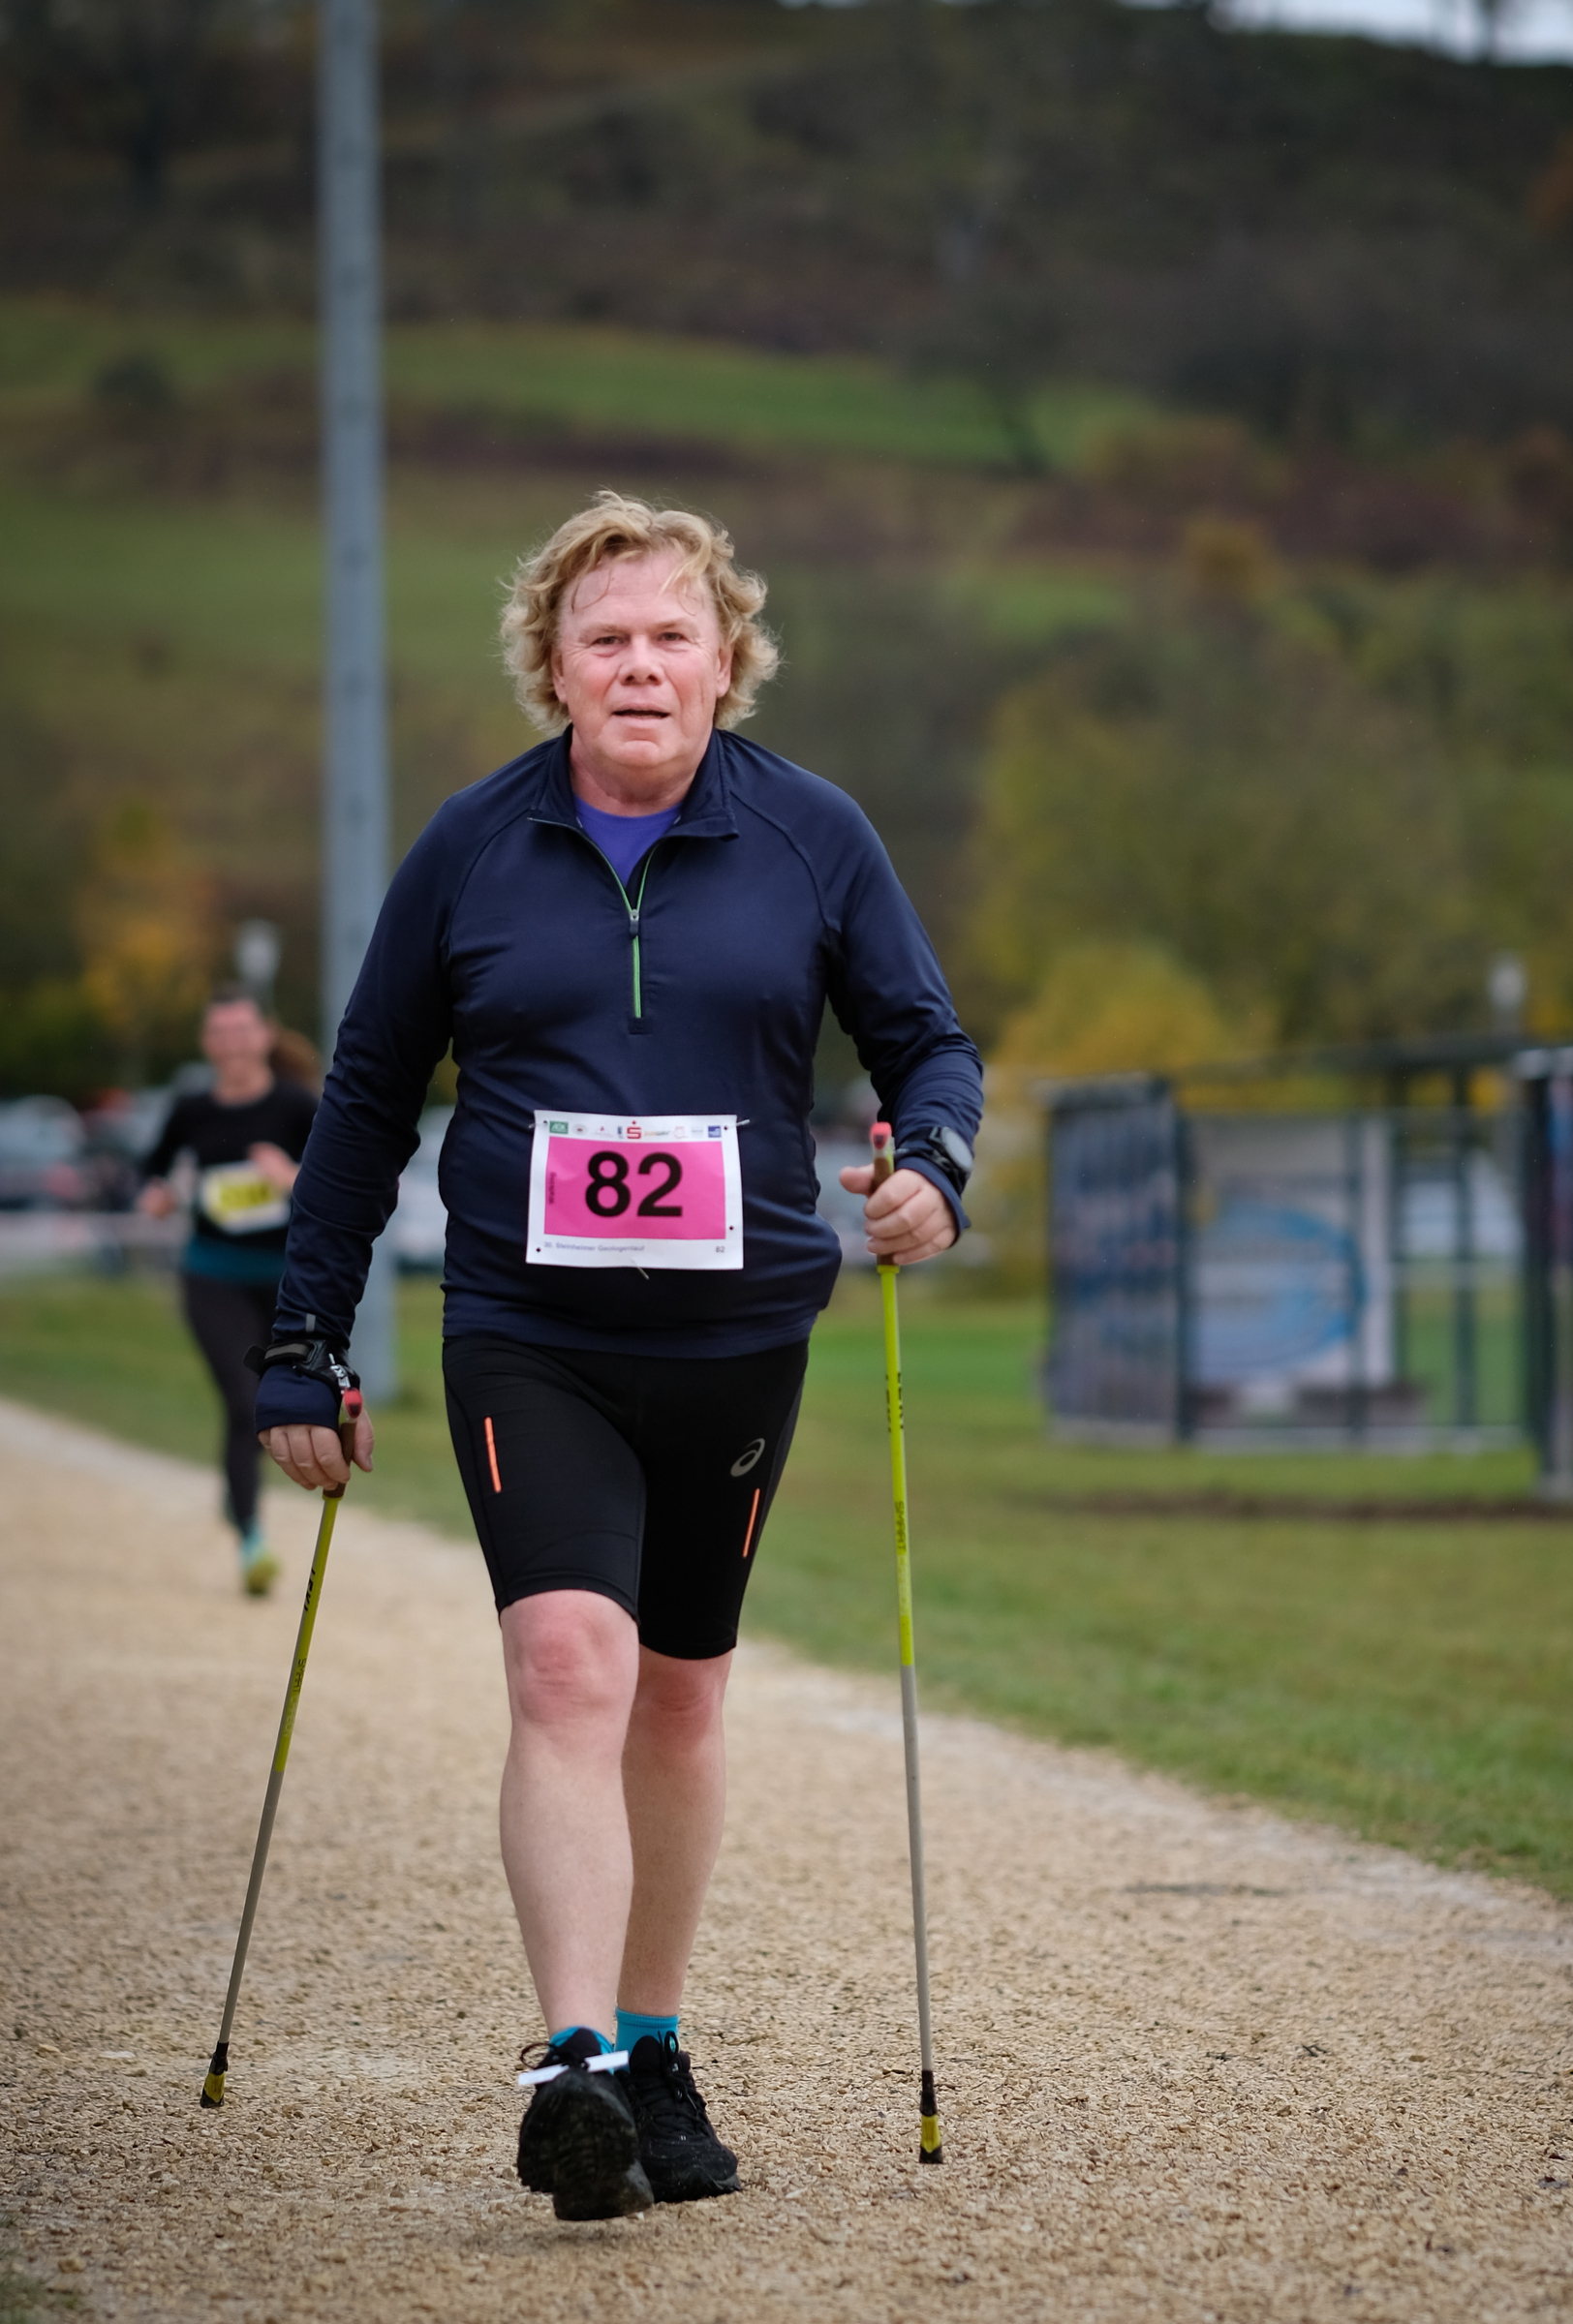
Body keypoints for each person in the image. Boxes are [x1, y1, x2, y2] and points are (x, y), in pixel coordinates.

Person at [251, 493, 982, 2220]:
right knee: (569, 1665)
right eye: (605, 639)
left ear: (727, 661)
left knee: (680, 1690)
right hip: (535, 1330)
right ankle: (571, 2064)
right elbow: (364, 1102)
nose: (640, 665)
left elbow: (928, 1045)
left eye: (671, 636)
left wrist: (937, 1171)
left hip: (739, 1333)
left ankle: (654, 2044)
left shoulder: (813, 835)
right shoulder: (471, 847)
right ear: (553, 668)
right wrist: (304, 1335)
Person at [139, 988, 320, 1596]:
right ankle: (251, 1538)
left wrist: (290, 1176)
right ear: (206, 1043)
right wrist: (159, 1195)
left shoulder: (296, 1105)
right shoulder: (192, 1109)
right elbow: (154, 1172)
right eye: (220, 1032)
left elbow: (337, 1180)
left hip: (286, 1283)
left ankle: (239, 1502)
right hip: (213, 1276)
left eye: (243, 1030)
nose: (232, 1043)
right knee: (246, 1404)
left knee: (278, 1404)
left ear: (266, 1035)